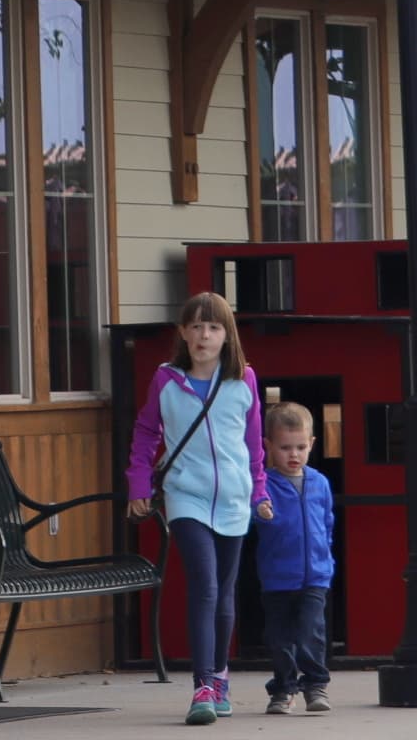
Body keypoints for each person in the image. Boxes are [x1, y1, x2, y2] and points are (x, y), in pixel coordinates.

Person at [127, 291, 272, 725]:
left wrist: (259, 492)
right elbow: (146, 432)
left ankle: (221, 676)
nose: (203, 335)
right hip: (185, 496)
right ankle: (203, 684)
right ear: (182, 333)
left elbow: (253, 445)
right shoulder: (166, 380)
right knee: (204, 586)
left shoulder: (243, 380)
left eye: (213, 327)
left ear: (227, 335)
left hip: (232, 499)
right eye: (196, 326)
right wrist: (137, 482)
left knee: (225, 594)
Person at [251, 400, 335, 715]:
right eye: (286, 447)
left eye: (301, 446)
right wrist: (257, 510)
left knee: (311, 632)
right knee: (279, 638)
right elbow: (249, 520)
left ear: (312, 444)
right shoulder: (262, 486)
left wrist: (327, 561)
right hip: (276, 577)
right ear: (268, 446)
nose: (294, 454)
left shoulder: (320, 483)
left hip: (315, 575)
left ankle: (316, 685)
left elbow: (327, 525)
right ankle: (283, 688)